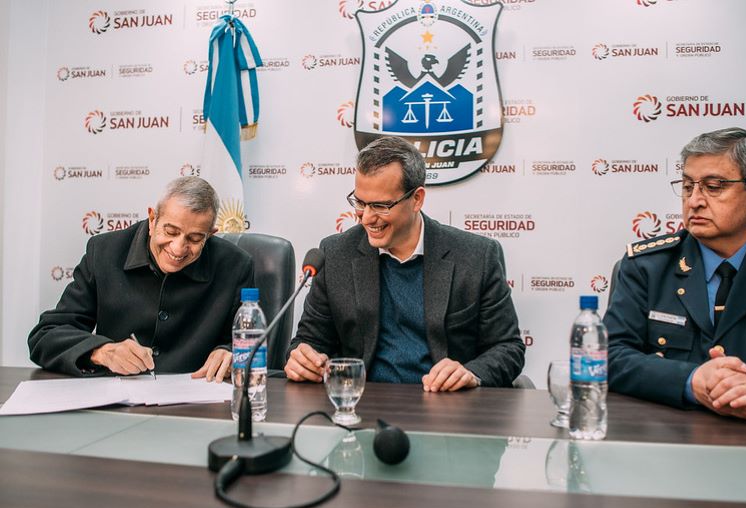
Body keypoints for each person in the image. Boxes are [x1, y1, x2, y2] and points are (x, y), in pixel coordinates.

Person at [286, 136, 525, 391]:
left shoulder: (476, 256)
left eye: (380, 205)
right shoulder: (335, 254)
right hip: (360, 402)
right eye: (360, 203)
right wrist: (303, 359)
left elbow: (507, 348)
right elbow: (309, 342)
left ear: (417, 199)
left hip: (446, 404)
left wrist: (471, 373)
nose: (366, 218)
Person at [606, 127, 746, 419]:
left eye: (713, 186)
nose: (694, 200)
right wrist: (691, 381)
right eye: (687, 186)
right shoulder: (648, 266)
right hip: (670, 437)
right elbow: (608, 356)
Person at [28, 176, 254, 382]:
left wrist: (232, 353)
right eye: (171, 232)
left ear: (210, 235)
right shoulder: (104, 252)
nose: (178, 248)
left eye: (195, 239)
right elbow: (45, 336)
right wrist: (101, 352)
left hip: (199, 399)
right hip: (117, 401)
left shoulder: (236, 265)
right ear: (152, 219)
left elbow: (254, 342)